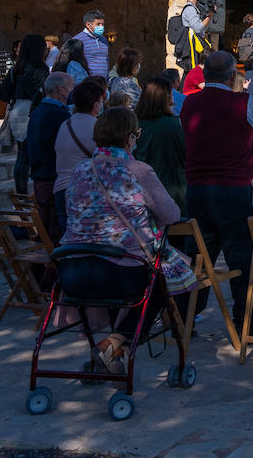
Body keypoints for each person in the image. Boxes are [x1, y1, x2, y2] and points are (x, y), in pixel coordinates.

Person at [58, 107, 197, 376]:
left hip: (72, 269)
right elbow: (170, 214)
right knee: (159, 281)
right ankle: (112, 345)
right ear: (129, 138)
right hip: (120, 272)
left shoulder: (79, 170)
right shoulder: (138, 170)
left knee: (132, 280)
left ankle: (109, 353)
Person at [182, 51, 253, 337]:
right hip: (233, 190)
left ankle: (184, 319)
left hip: (197, 190)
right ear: (233, 75)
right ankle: (246, 323)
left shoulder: (189, 103)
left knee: (197, 257)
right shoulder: (241, 102)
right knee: (244, 259)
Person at [25, 72, 76, 242]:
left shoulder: (37, 112)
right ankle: (50, 267)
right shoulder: (60, 115)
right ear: (61, 90)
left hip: (40, 176)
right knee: (54, 231)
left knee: (44, 230)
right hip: (53, 179)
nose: (71, 92)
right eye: (70, 88)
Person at [54, 77, 105, 238]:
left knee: (67, 240)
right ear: (96, 104)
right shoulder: (97, 127)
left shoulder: (65, 124)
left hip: (60, 188)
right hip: (83, 191)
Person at [1, 33, 51, 194]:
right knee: (27, 157)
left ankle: (20, 195)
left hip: (17, 110)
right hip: (31, 111)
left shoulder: (16, 69)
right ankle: (24, 197)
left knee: (22, 156)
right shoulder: (38, 69)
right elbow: (42, 93)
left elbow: (2, 94)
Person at [135, 77, 187, 213]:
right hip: (172, 188)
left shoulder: (133, 123)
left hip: (141, 190)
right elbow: (187, 155)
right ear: (166, 97)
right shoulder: (175, 124)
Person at [179, 0, 214, 71]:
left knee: (190, 74)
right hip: (191, 48)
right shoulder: (190, 9)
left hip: (193, 47)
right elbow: (198, 28)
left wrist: (208, 17)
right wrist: (209, 16)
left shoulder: (194, 8)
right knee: (192, 73)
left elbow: (202, 29)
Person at [77, 9, 109, 81]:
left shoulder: (104, 40)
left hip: (103, 84)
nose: (101, 27)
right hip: (87, 85)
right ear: (88, 24)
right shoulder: (78, 40)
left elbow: (106, 60)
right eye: (98, 24)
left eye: (102, 24)